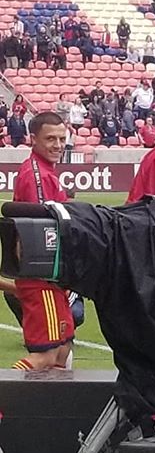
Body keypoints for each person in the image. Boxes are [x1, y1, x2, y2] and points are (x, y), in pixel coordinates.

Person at [11, 112, 74, 371]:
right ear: (33, 139)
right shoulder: (36, 174)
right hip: (42, 278)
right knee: (45, 355)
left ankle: (51, 411)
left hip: (51, 277)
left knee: (61, 350)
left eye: (61, 139)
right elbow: (44, 230)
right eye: (50, 139)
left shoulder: (46, 172)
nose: (57, 145)